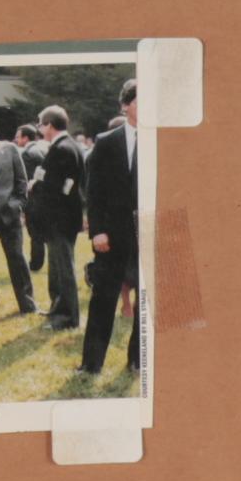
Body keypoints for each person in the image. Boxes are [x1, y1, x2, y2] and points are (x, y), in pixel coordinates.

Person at [81, 80, 145, 378]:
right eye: (141, 100)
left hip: (149, 234)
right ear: (125, 105)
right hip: (112, 236)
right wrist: (97, 231)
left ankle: (137, 361)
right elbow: (94, 192)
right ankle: (91, 364)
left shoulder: (165, 139)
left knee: (147, 301)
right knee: (103, 300)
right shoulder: (106, 142)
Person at [27, 106, 88, 328]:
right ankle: (57, 309)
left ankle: (68, 317)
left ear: (50, 125)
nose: (40, 129)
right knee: (57, 266)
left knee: (64, 269)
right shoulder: (69, 146)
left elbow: (56, 187)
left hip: (59, 218)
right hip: (63, 217)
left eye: (41, 124)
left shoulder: (61, 149)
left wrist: (35, 185)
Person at [0, 113, 37, 316]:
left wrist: (18, 204)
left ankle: (27, 304)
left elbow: (22, 180)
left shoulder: (9, 149)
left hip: (8, 213)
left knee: (17, 259)